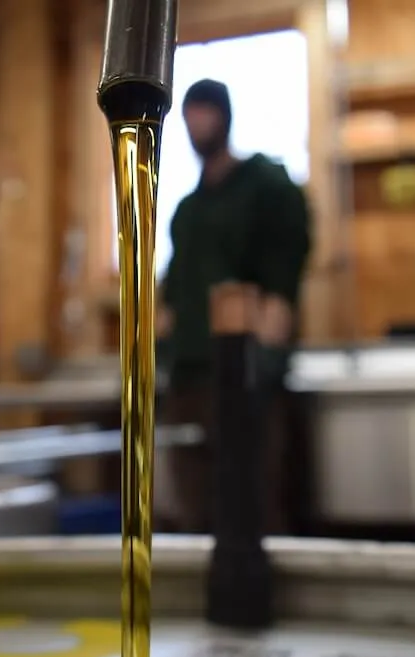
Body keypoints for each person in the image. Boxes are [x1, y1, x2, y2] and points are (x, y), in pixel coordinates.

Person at [155, 78, 312, 534]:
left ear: (224, 116)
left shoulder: (266, 184)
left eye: (205, 111)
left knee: (253, 501)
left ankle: (261, 602)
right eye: (189, 113)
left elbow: (289, 249)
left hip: (245, 371)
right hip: (188, 375)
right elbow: (179, 275)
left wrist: (278, 302)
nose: (196, 122)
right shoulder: (187, 210)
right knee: (195, 504)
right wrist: (165, 317)